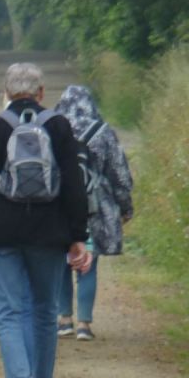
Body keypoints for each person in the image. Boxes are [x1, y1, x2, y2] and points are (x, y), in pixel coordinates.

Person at [0, 62, 92, 378]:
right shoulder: (59, 127)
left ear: (6, 91)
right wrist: (78, 235)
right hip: (50, 232)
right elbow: (74, 185)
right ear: (41, 92)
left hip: (1, 231)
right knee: (45, 310)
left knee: (8, 311)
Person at [52, 84, 135, 341]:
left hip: (59, 203)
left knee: (61, 260)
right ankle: (84, 325)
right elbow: (119, 173)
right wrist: (125, 207)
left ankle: (64, 320)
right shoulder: (103, 131)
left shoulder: (52, 129)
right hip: (96, 206)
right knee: (88, 262)